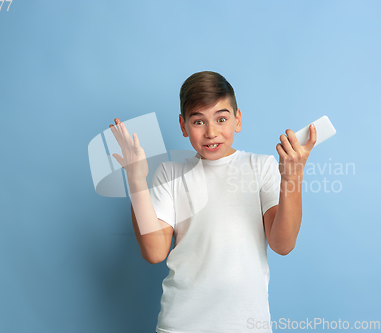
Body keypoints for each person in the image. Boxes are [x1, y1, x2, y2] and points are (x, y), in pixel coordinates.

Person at [109, 71, 316, 333]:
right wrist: (136, 179)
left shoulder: (262, 167)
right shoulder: (170, 174)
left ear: (237, 120)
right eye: (199, 122)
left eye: (221, 118)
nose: (211, 132)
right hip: (180, 325)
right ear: (183, 126)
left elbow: (283, 244)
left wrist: (291, 178)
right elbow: (154, 252)